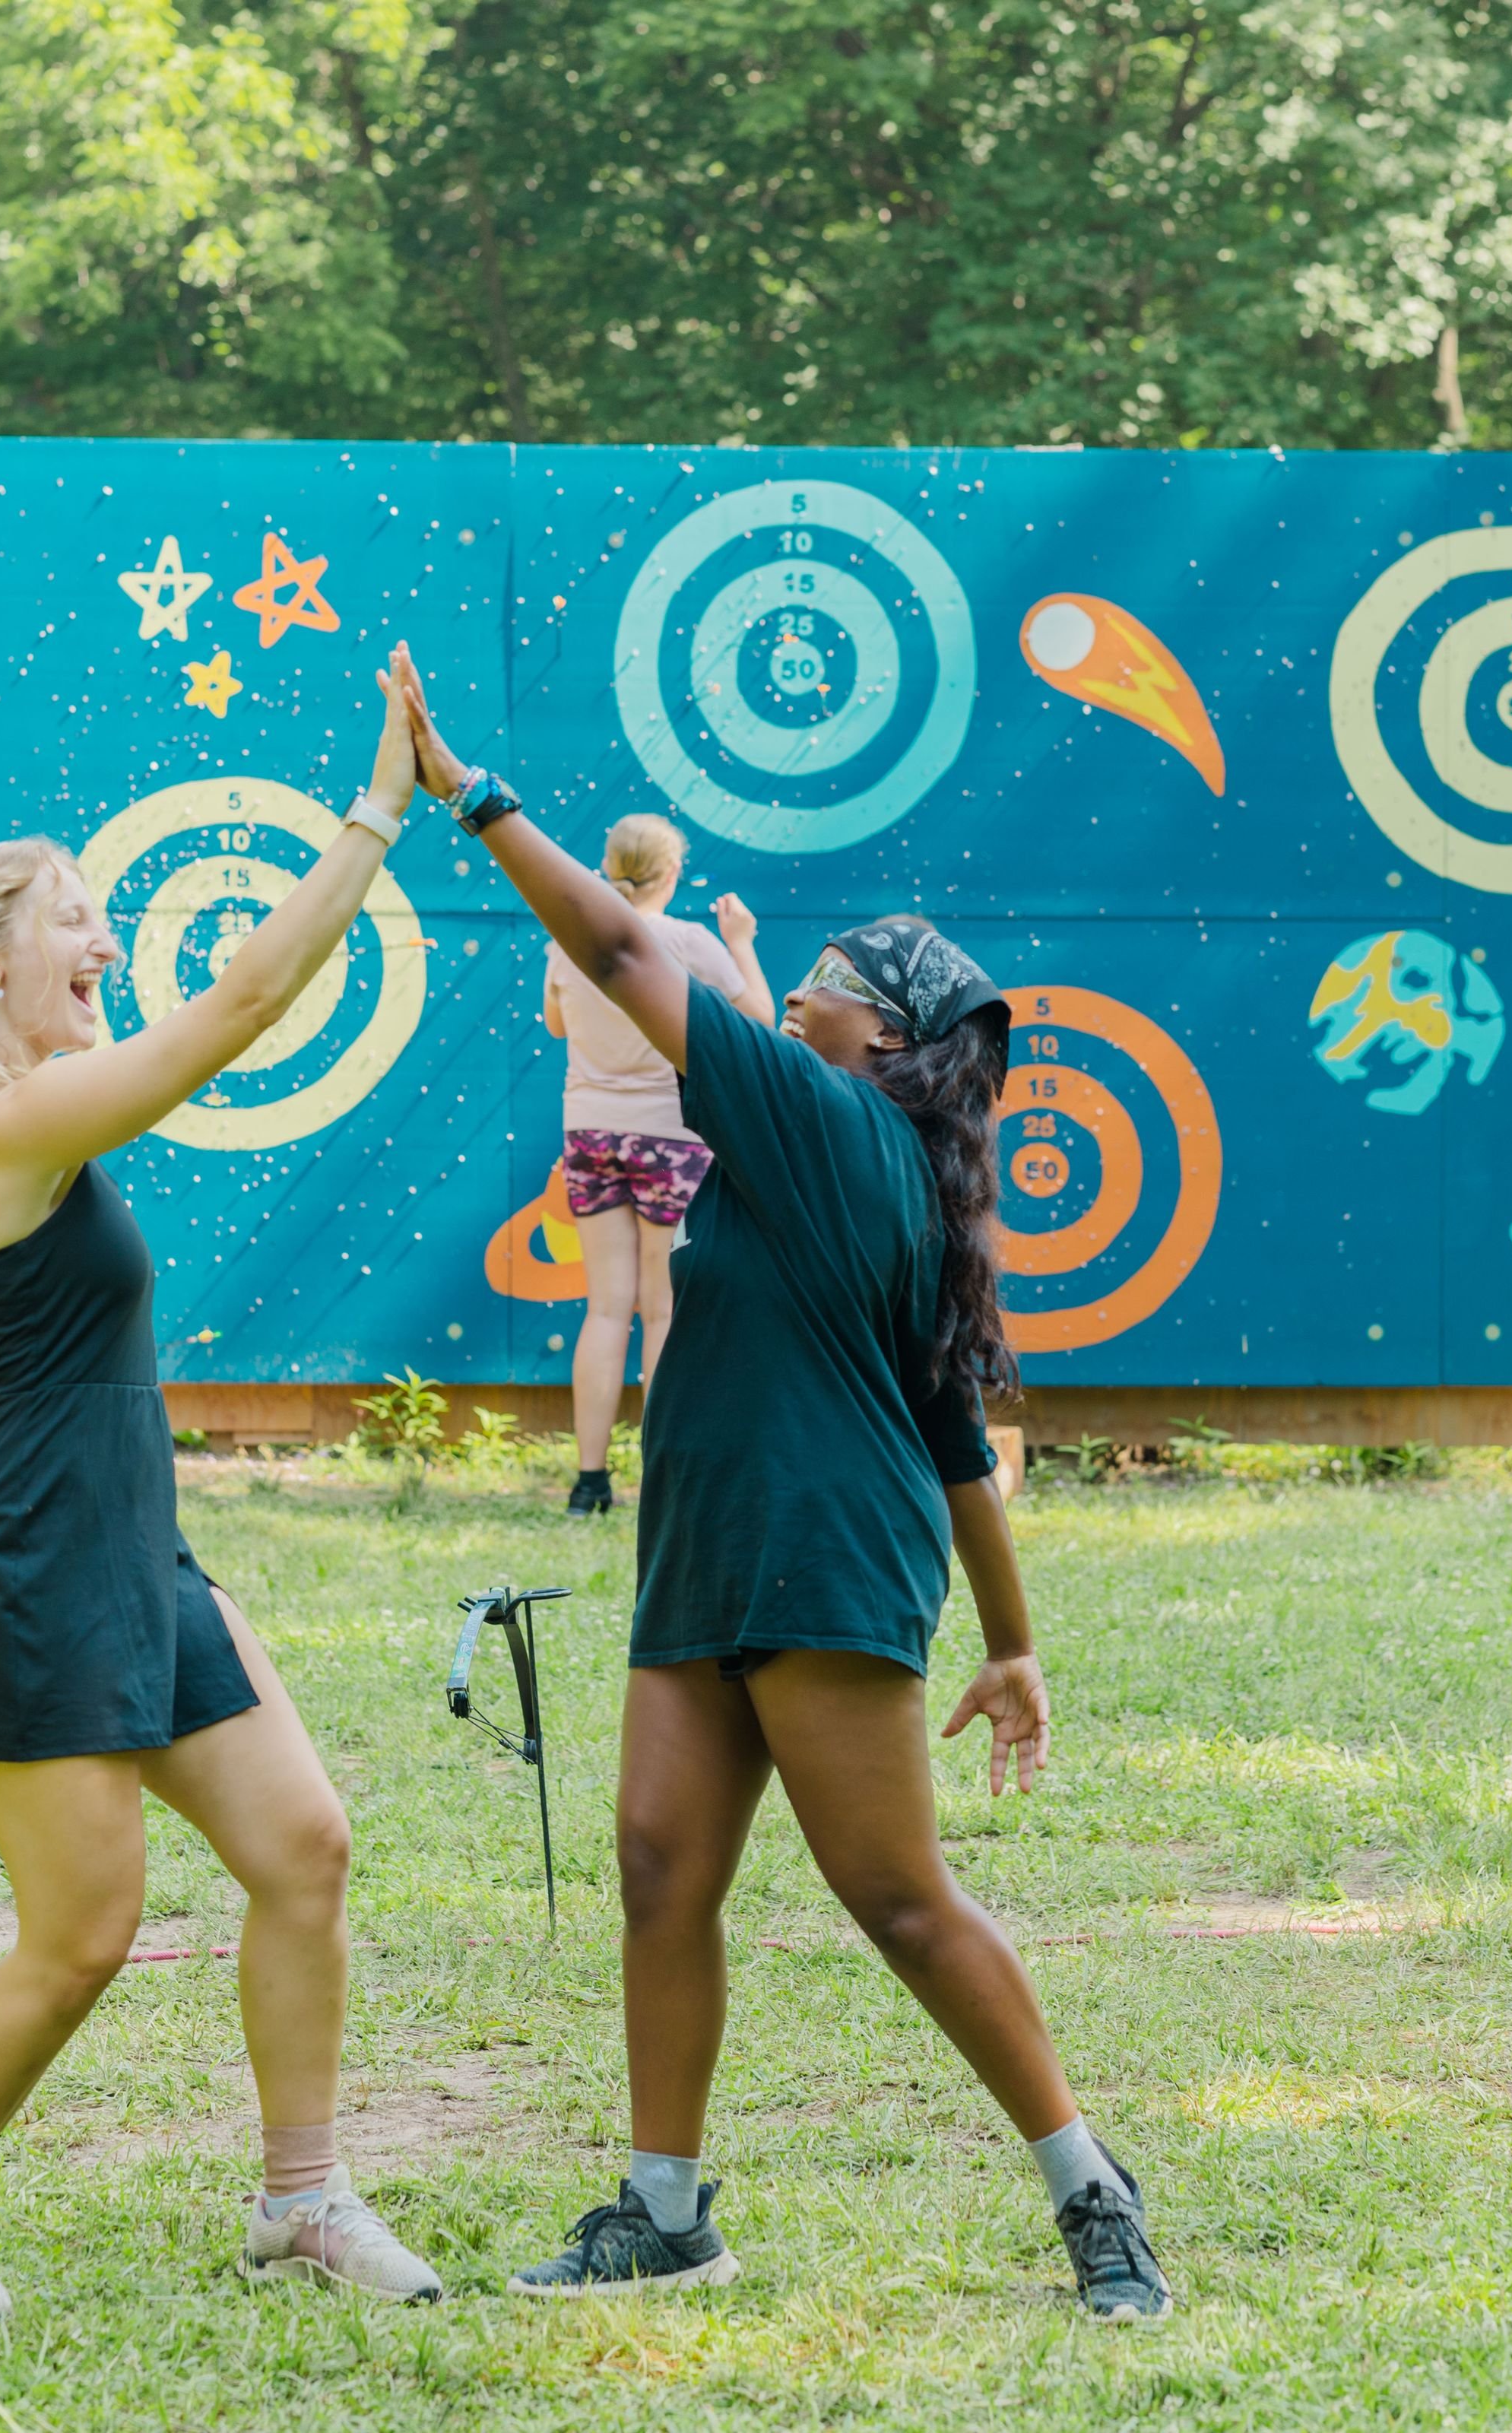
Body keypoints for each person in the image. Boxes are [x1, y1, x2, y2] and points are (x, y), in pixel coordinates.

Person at [399, 655, 1174, 2324]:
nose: (787, 989)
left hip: (818, 1559)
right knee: (661, 1866)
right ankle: (666, 2212)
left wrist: (472, 792)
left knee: (892, 1892)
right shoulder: (872, 1163)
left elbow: (612, 944)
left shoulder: (818, 1110)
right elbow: (959, 1436)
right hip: (709, 1549)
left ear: (869, 1036)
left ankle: (1091, 2189)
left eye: (812, 979)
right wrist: (1015, 1641)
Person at [0, 646, 442, 2324]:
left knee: (304, 1846)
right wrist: (373, 815)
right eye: (79, 922)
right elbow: (236, 1011)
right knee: (83, 1932)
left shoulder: (35, 1136)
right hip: (37, 1567)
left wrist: (158, 1554)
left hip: (117, 1549)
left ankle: (302, 2195)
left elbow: (7, 1387)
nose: (110, 943)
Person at [544, 812, 774, 1515]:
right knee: (663, 1311)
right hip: (671, 1139)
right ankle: (664, 1483)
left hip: (590, 1133)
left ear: (610, 862)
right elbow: (761, 1020)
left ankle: (589, 1484)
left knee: (605, 1308)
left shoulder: (570, 935)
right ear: (672, 873)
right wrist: (741, 942)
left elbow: (557, 1024)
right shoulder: (690, 941)